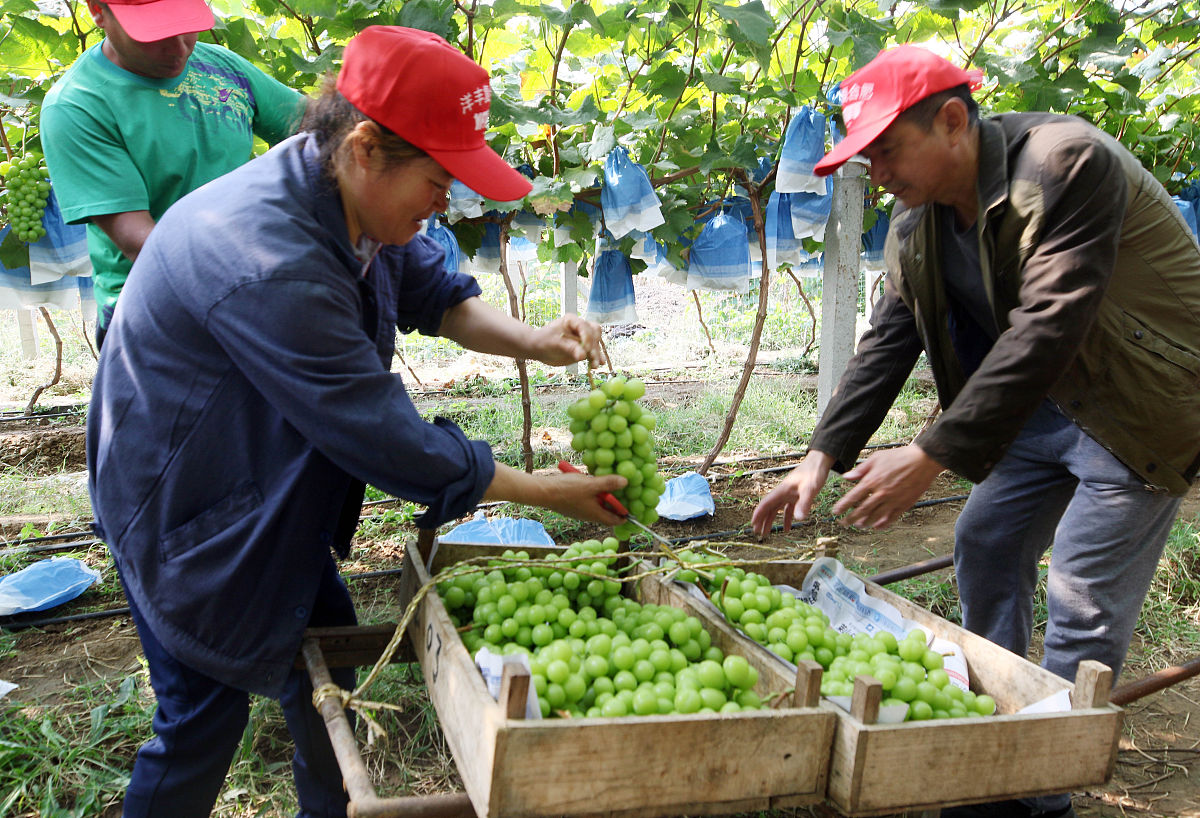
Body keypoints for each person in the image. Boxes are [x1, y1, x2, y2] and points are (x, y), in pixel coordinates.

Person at [86, 25, 628, 818]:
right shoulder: (271, 256)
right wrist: (543, 491)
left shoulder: (346, 195)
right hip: (184, 509)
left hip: (258, 485)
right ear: (367, 146)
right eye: (439, 181)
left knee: (323, 676)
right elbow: (380, 434)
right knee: (201, 715)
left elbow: (433, 293)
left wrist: (534, 342)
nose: (447, 202)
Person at [751, 45, 1200, 818]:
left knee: (1082, 599)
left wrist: (929, 454)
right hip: (1040, 407)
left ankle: (1037, 791)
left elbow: (1050, 323)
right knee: (985, 543)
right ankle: (992, 726)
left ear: (953, 121)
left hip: (1139, 406)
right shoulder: (915, 223)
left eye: (886, 149)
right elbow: (891, 339)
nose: (877, 172)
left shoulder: (1065, 164)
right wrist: (820, 455)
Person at [41, 0, 308, 348]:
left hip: (247, 288)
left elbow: (312, 124)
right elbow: (141, 242)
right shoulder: (77, 106)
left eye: (185, 27)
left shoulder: (221, 68)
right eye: (154, 34)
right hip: (154, 313)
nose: (179, 47)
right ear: (98, 11)